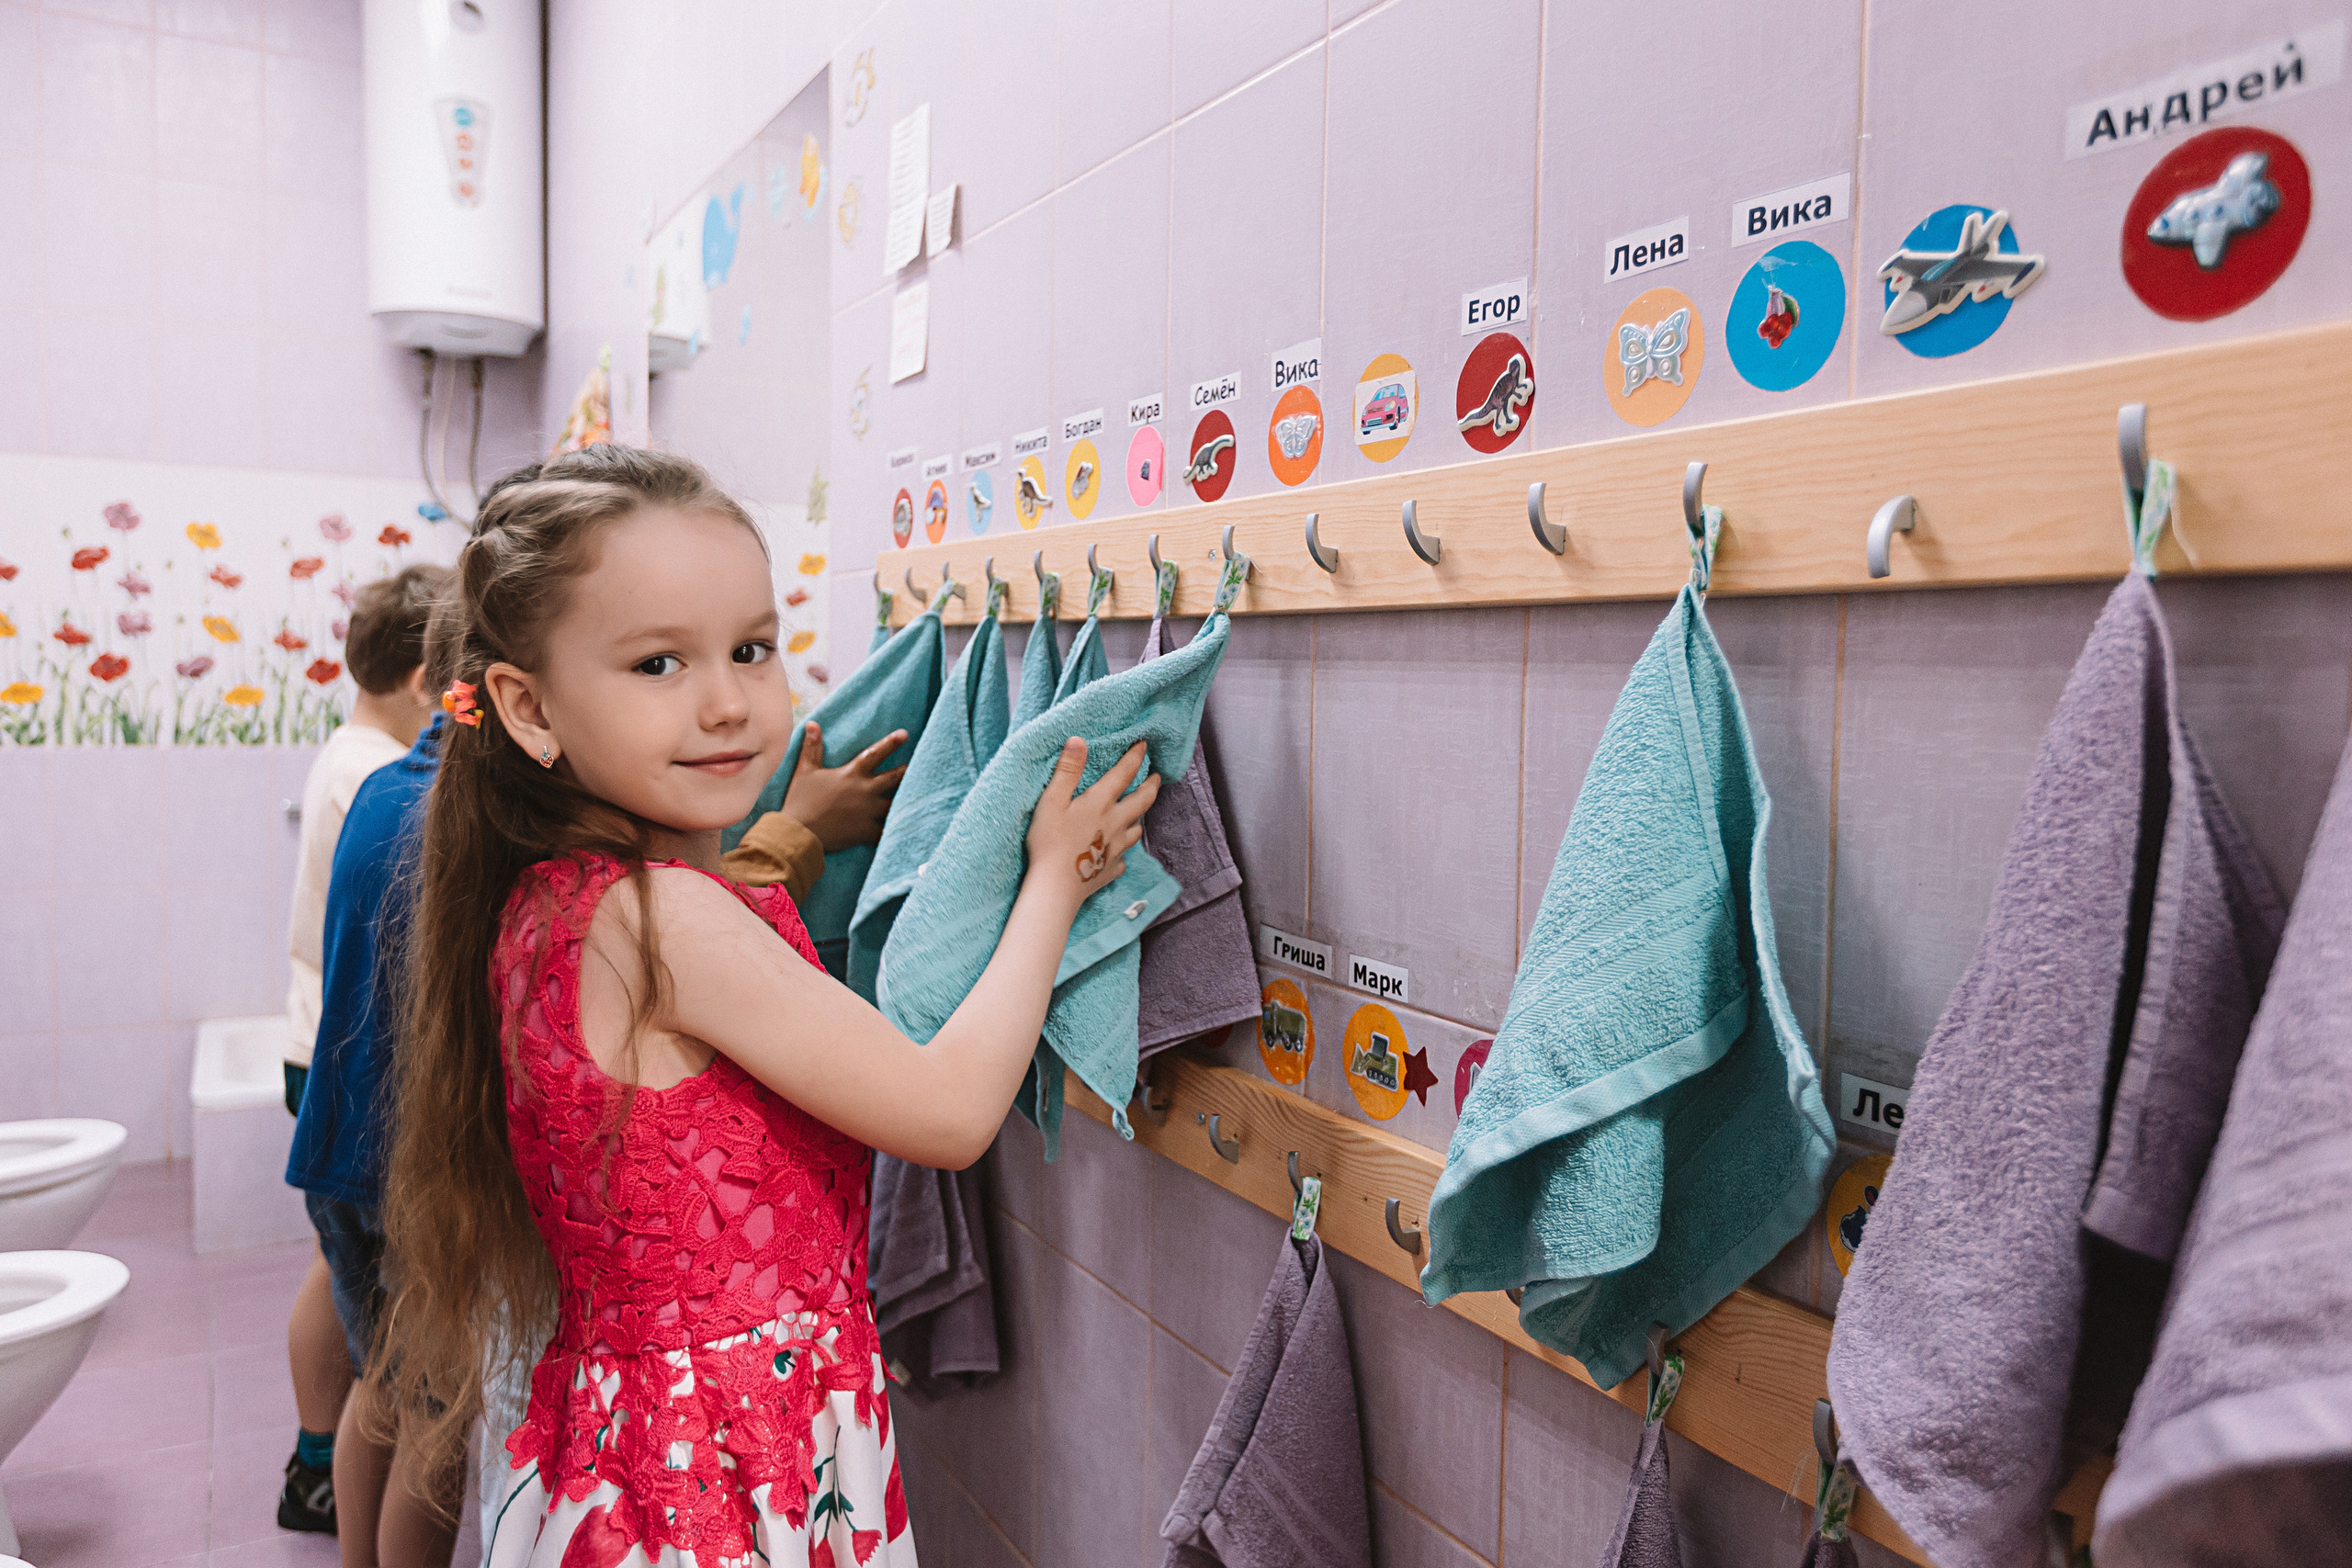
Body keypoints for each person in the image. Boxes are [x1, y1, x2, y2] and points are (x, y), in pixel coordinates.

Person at [373, 445, 1156, 1567]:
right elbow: (945, 1112)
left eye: (751, 647)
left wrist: (789, 833)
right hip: (725, 1474)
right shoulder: (664, 923)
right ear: (526, 707)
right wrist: (1052, 878)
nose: (729, 701)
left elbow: (715, 967)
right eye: (657, 665)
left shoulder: (550, 900)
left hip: (627, 1456)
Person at [278, 563, 450, 1534]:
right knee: (416, 1391)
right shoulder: (383, 784)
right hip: (355, 1078)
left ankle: (316, 1460)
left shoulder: (364, 768)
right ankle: (310, 1455)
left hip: (333, 1071)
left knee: (376, 1361)